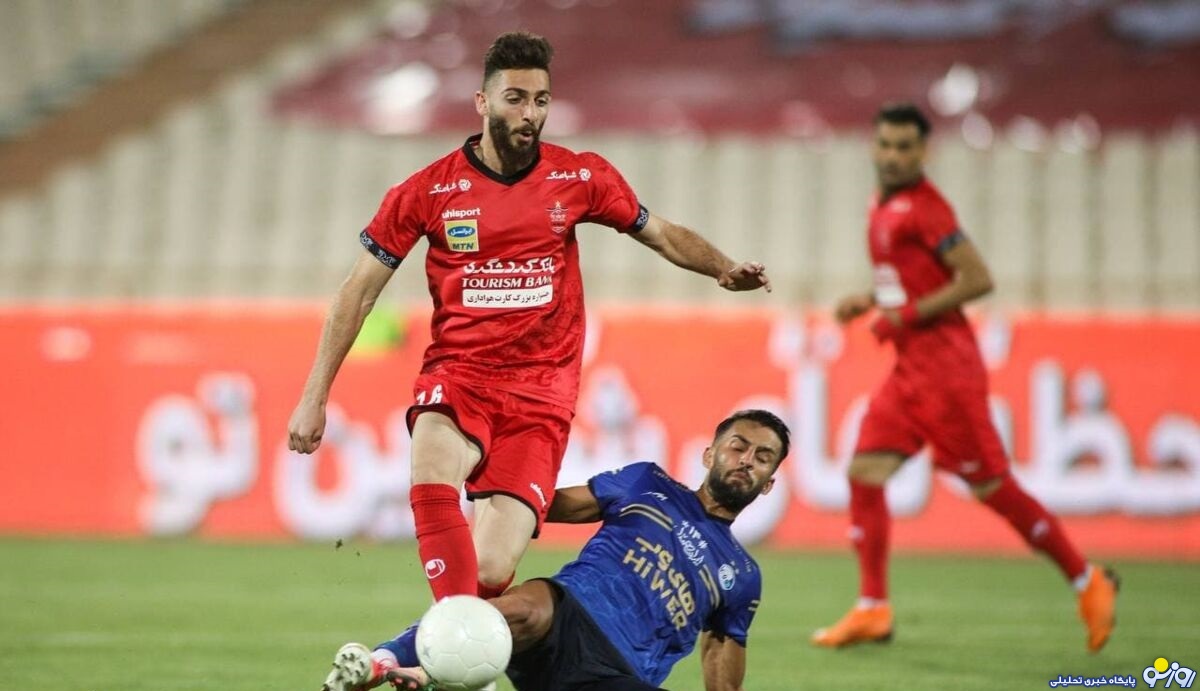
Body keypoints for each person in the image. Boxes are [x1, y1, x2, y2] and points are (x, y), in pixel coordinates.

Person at [286, 31, 771, 607]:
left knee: (491, 568)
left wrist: (722, 269)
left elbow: (660, 233)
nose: (530, 113)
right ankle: (447, 637)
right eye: (515, 98)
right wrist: (314, 396)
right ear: (483, 102)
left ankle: (438, 643)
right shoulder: (427, 191)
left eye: (540, 100)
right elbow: (358, 293)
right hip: (460, 374)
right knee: (433, 464)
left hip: (542, 392)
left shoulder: (580, 177)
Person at [810, 103, 1118, 652]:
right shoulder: (882, 204)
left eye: (905, 146)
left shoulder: (928, 209)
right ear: (874, 146)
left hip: (947, 372)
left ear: (924, 151)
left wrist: (905, 315)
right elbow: (912, 276)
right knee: (865, 471)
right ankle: (872, 607)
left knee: (992, 487)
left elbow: (976, 279)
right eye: (886, 144)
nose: (893, 155)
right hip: (910, 370)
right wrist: (872, 299)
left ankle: (1086, 579)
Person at [320, 409, 790, 691]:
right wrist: (496, 481)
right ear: (709, 454)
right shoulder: (648, 483)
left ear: (769, 483)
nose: (746, 460)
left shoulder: (742, 575)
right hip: (565, 615)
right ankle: (380, 662)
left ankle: (432, 678)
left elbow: (721, 658)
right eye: (738, 447)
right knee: (513, 608)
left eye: (762, 457)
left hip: (620, 674)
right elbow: (546, 505)